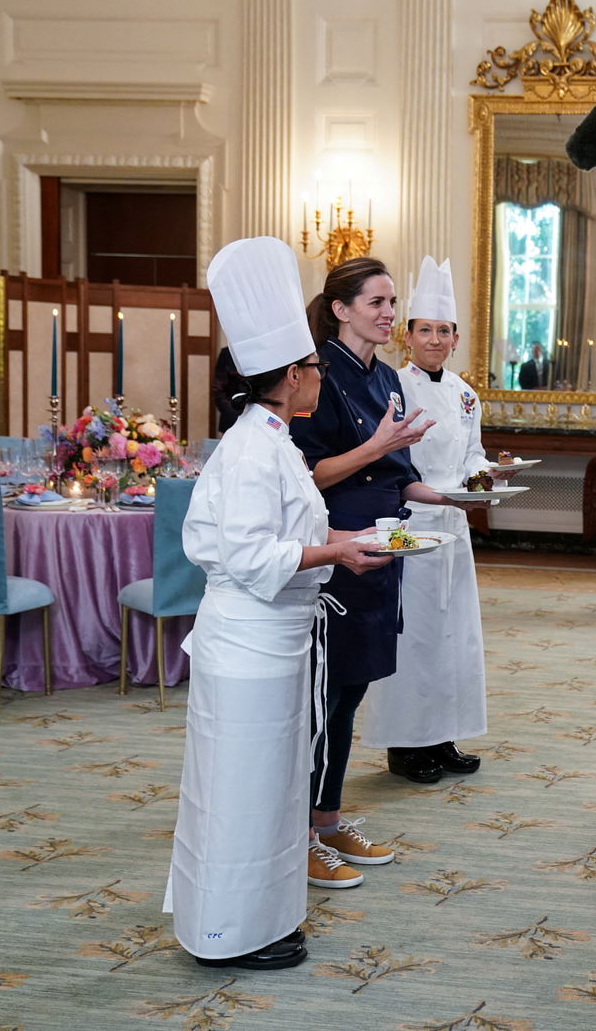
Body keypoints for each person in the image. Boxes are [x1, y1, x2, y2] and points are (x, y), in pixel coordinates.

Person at [166, 235, 394, 971]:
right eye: (314, 371)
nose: (321, 380)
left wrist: (346, 534)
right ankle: (229, 933)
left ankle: (262, 918)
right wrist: (336, 552)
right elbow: (247, 553)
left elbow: (296, 525)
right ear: (292, 376)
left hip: (281, 641)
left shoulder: (276, 439)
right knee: (240, 796)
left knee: (268, 793)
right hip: (249, 642)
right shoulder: (253, 449)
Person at [289, 257, 454, 888]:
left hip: (387, 546)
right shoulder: (313, 377)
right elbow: (305, 475)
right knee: (324, 695)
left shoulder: (386, 377)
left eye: (392, 302)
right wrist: (372, 449)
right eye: (378, 302)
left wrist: (446, 497)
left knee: (353, 689)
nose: (390, 313)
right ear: (341, 308)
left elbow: (395, 472)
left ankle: (328, 821)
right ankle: (300, 834)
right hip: (335, 549)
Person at [359, 257, 491, 784]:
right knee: (411, 637)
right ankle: (404, 745)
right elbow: (387, 459)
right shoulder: (392, 387)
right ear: (407, 336)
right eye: (425, 330)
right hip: (408, 521)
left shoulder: (465, 393)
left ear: (456, 338)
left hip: (455, 525)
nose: (434, 339)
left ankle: (443, 736)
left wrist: (484, 479)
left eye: (444, 331)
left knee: (454, 636)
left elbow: (474, 454)